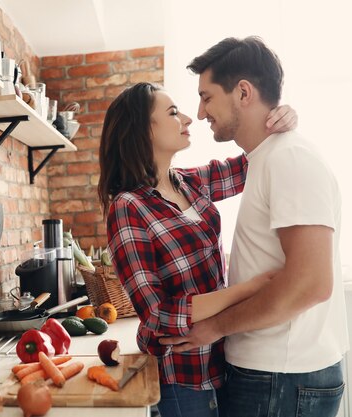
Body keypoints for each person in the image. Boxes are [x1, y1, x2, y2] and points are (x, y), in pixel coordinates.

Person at [158, 36, 348, 417]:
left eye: (207, 96)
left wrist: (216, 327)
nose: (199, 112)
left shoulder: (289, 159)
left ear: (243, 92)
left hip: (281, 377)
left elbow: (312, 284)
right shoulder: (267, 158)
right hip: (273, 376)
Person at [97, 82, 296, 417]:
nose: (189, 119)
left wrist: (281, 119)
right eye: (173, 113)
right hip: (181, 376)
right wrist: (247, 289)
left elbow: (254, 162)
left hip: (222, 358)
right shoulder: (127, 207)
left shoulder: (188, 183)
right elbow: (157, 315)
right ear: (141, 130)